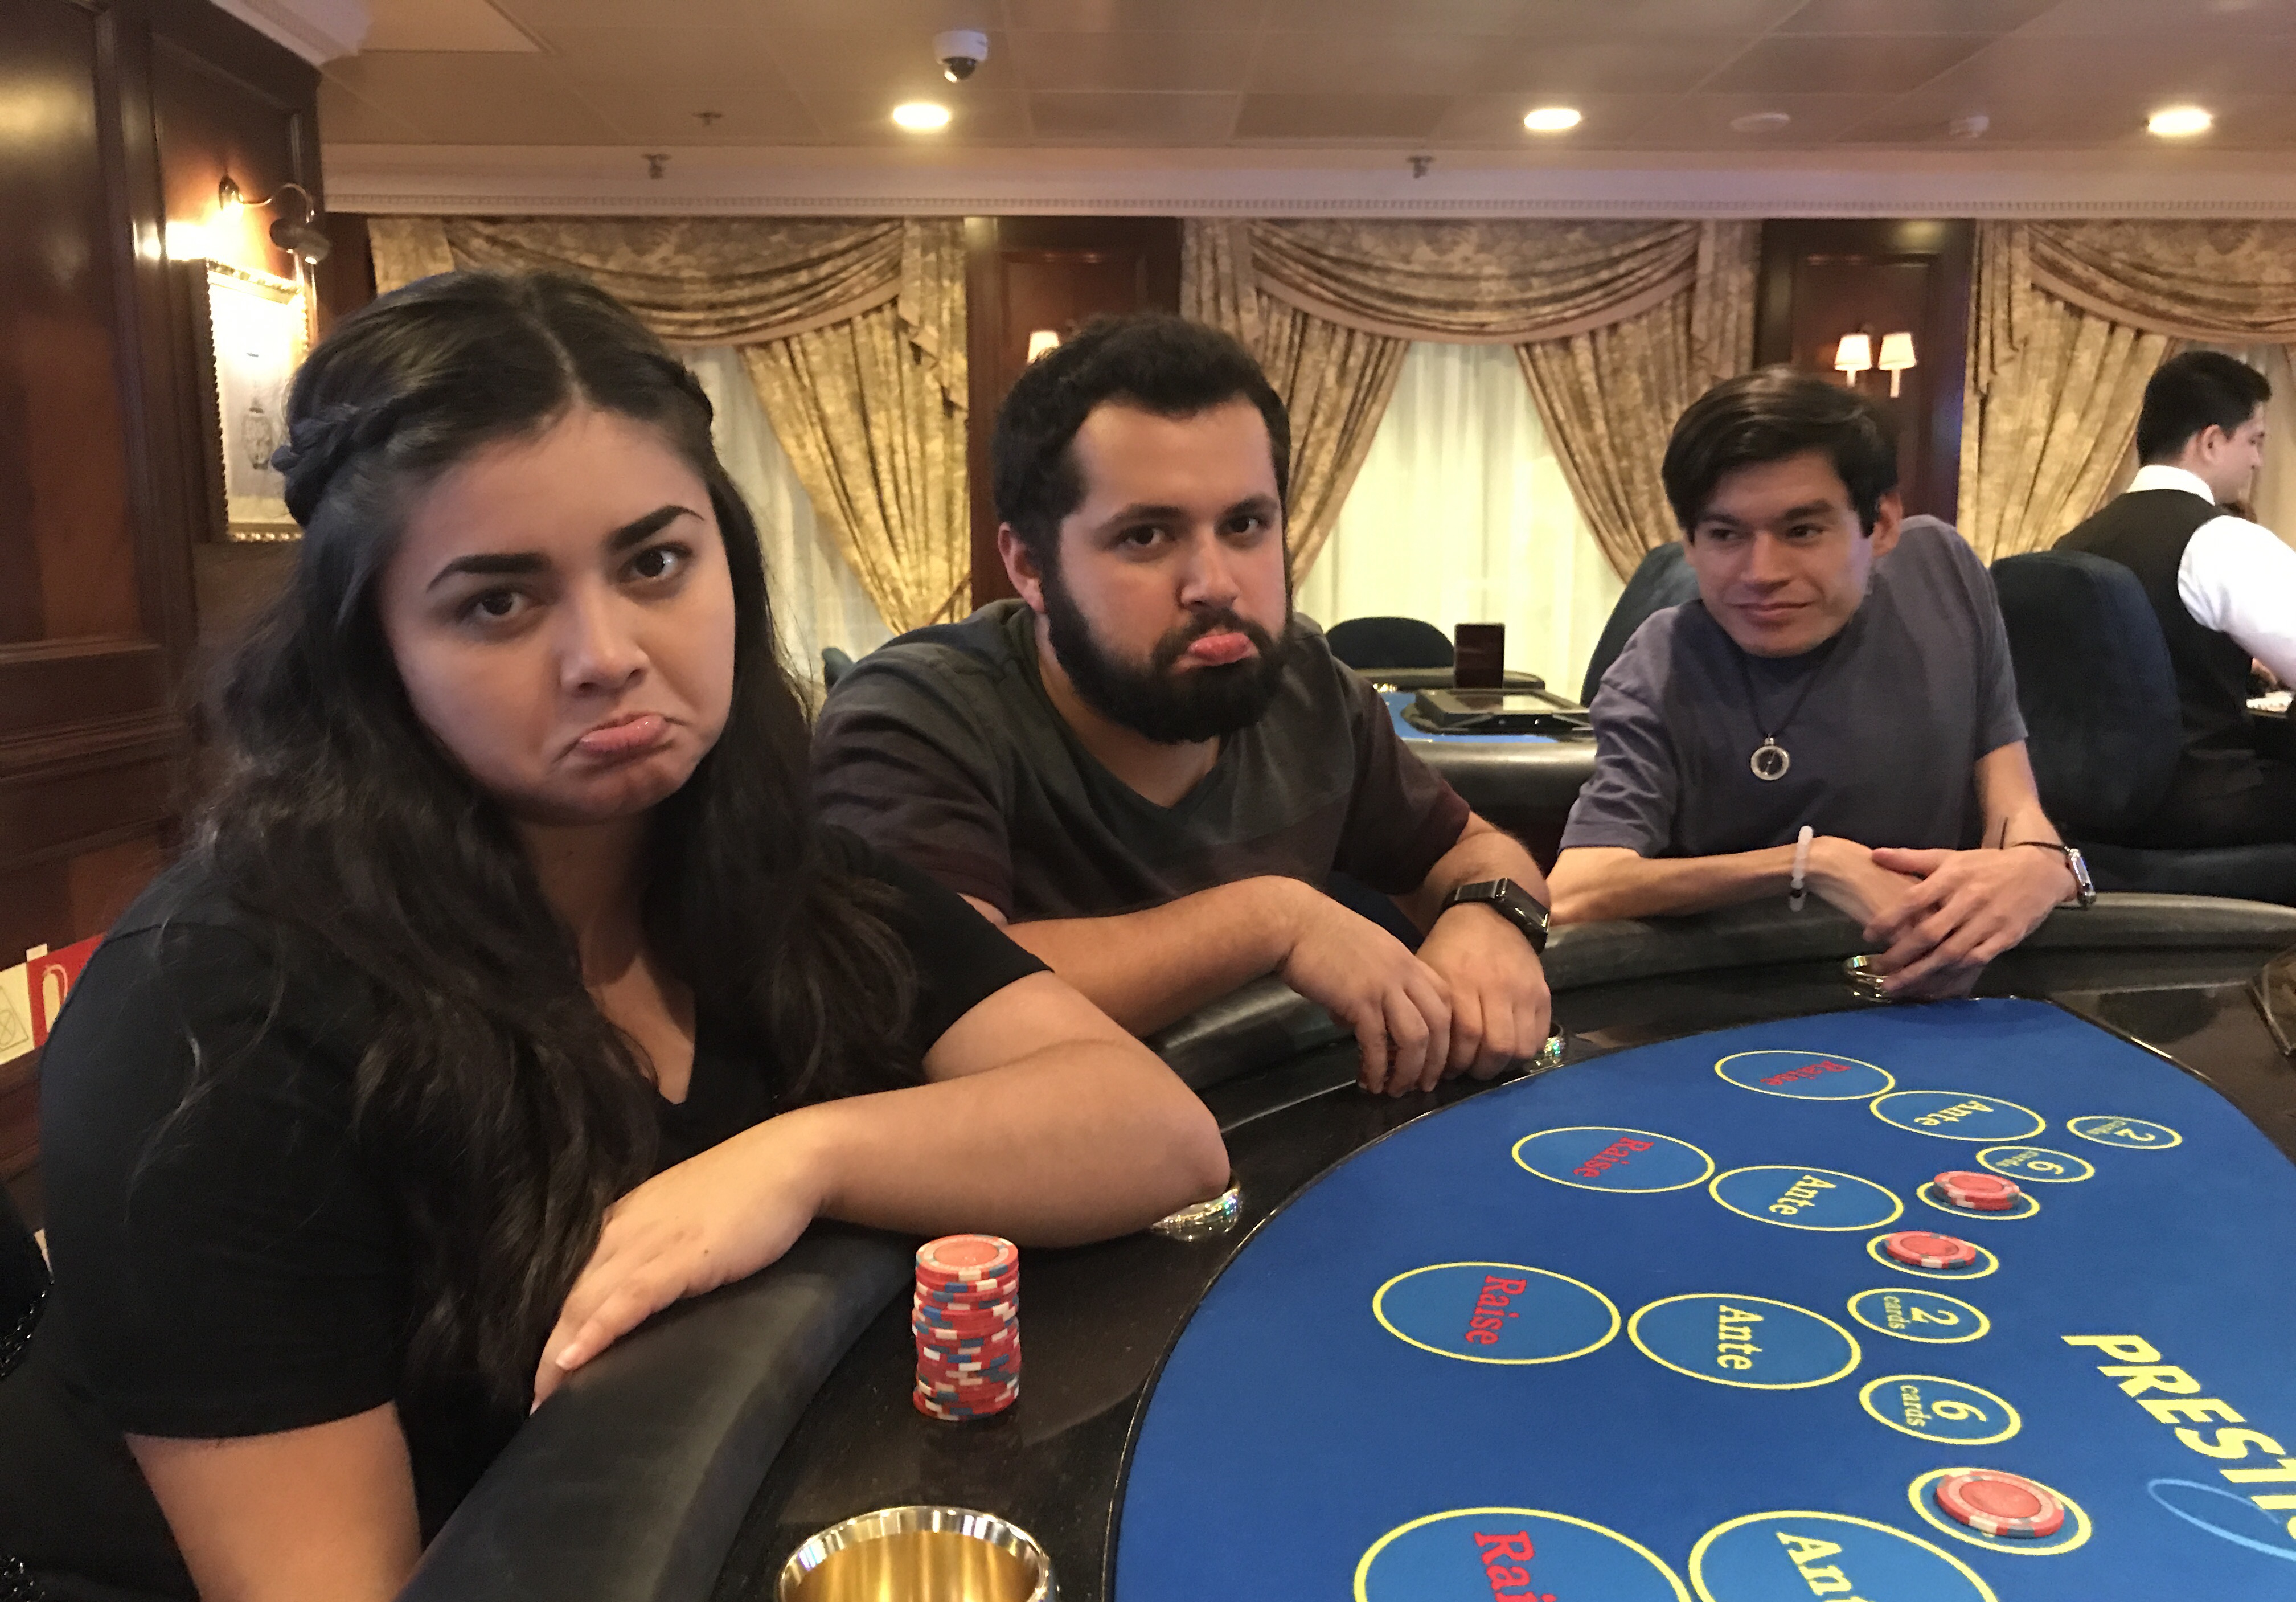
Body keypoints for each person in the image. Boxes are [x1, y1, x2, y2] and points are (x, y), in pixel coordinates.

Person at [0, 273, 1227, 1602]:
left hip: (595, 1582)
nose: (607, 655)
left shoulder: (784, 873)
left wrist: (800, 1158)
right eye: (498, 600)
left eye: (654, 562)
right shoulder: (211, 1014)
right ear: (370, 645)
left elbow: (1156, 1133)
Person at [812, 314, 1553, 1096]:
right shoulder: (918, 716)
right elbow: (924, 991)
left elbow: (1474, 852)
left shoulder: (1307, 686)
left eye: (1245, 525)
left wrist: (1488, 919)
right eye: (1146, 537)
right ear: (1029, 566)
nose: (1216, 584)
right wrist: (1272, 922)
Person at [1548, 367, 2082, 998]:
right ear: (1689, 543)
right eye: (1725, 535)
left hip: (1935, 994)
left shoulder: (1944, 572)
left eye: (1802, 531)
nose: (1761, 572)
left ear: (1882, 525)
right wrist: (1811, 863)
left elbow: (2014, 805)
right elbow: (1577, 887)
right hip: (1739, 1001)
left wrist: (2041, 866)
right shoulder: (1658, 665)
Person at [2055, 350, 2296, 846]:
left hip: (2087, 815)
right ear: (2211, 441)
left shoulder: (2073, 543)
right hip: (2201, 808)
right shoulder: (2221, 539)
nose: (2257, 460)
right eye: (2254, 440)